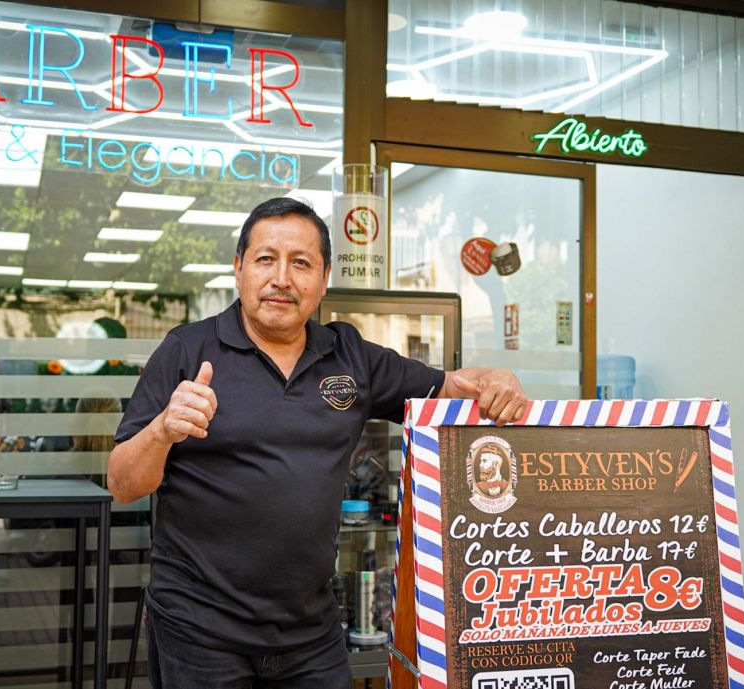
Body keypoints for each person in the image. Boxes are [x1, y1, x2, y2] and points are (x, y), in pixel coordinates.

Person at [107, 196, 527, 689]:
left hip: (310, 632)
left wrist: (500, 377)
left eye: (301, 263)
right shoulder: (187, 349)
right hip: (201, 630)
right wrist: (163, 429)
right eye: (266, 259)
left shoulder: (350, 356)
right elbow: (122, 484)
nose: (282, 278)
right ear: (239, 268)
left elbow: (455, 387)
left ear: (323, 278)